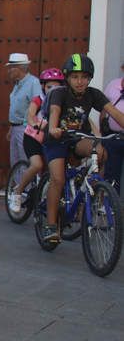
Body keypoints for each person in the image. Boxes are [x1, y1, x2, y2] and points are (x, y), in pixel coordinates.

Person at [42, 54, 124, 244]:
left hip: (78, 138)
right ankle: (51, 225)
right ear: (67, 78)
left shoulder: (93, 94)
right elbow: (54, 111)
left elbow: (113, 112)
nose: (80, 81)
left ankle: (93, 186)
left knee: (101, 150)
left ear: (90, 78)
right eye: (75, 77)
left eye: (84, 77)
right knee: (58, 179)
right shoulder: (59, 93)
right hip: (56, 139)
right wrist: (54, 128)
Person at [8, 68, 64, 213]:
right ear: (43, 87)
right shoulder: (39, 99)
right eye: (49, 86)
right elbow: (30, 113)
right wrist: (34, 123)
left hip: (51, 139)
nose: (53, 89)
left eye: (56, 87)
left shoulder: (63, 100)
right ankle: (18, 192)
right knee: (37, 165)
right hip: (33, 136)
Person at [6, 53, 42, 167]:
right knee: (16, 162)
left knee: (25, 160)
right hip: (15, 127)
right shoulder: (17, 84)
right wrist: (11, 129)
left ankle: (28, 185)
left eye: (11, 67)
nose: (9, 71)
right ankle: (18, 185)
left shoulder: (33, 83)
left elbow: (38, 105)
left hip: (26, 128)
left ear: (21, 68)